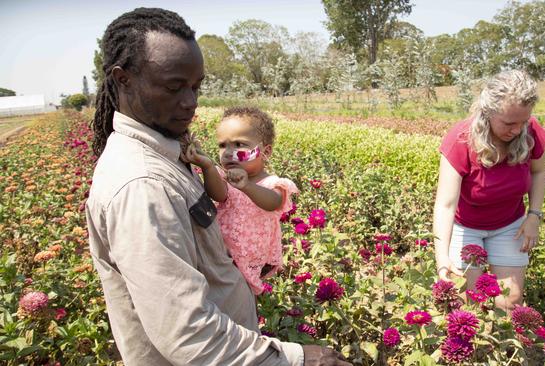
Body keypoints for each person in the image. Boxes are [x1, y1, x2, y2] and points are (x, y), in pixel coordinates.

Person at [86, 8, 350, 366]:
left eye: (196, 87)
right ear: (123, 79)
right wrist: (296, 359)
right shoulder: (142, 185)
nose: (191, 103)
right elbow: (188, 333)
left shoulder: (165, 155)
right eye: (174, 86)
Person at [433, 69, 545, 312]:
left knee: (510, 300)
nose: (517, 130)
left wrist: (534, 215)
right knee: (467, 301)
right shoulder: (460, 140)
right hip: (466, 226)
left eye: (523, 121)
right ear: (487, 112)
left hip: (510, 225)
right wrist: (442, 257)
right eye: (508, 123)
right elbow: (445, 204)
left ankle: (504, 347)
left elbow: (539, 172)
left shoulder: (531, 132)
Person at [180, 107, 299, 295]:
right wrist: (208, 165)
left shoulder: (272, 183)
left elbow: (273, 203)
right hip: (224, 257)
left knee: (243, 300)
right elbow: (217, 194)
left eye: (239, 144)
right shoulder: (226, 178)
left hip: (255, 259)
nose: (228, 152)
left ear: (265, 151)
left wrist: (246, 186)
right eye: (222, 145)